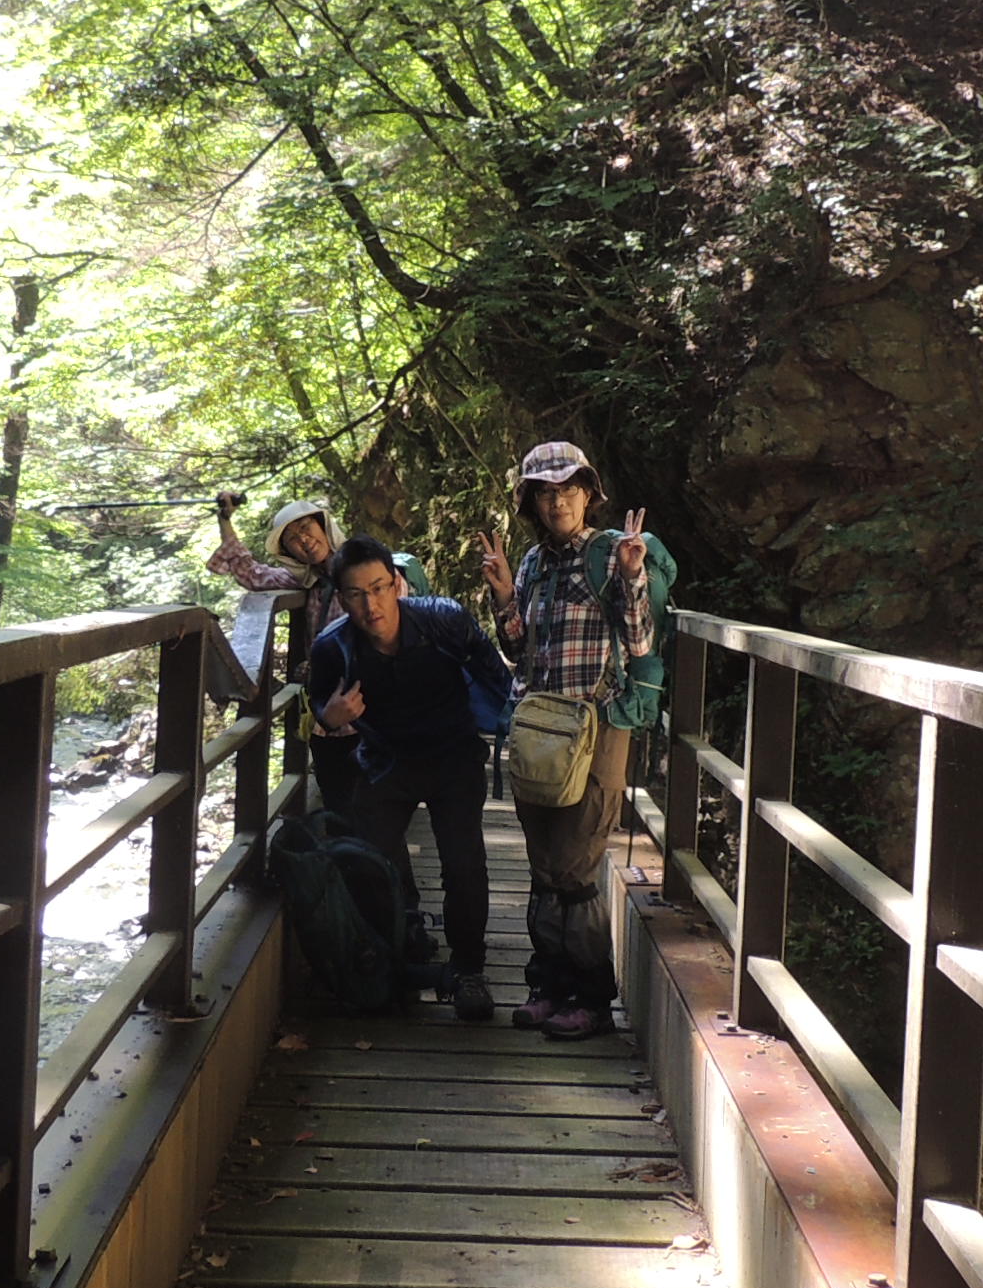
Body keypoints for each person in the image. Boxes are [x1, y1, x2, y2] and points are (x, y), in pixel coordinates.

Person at [479, 441, 673, 1040]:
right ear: (531, 503)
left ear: (588, 494)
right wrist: (505, 594)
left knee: (577, 866)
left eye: (568, 489)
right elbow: (518, 649)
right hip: (539, 727)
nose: (557, 501)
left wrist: (633, 574)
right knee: (543, 865)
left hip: (596, 725)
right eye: (545, 492)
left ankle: (591, 999)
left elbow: (639, 642)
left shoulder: (611, 553)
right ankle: (548, 985)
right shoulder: (533, 563)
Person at [306, 537, 513, 1023]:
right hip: (386, 761)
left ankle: (469, 970)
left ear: (396, 583)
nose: (371, 605)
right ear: (341, 597)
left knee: (464, 865)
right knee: (370, 861)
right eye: (356, 594)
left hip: (453, 757)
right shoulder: (333, 646)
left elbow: (497, 677)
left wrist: (503, 726)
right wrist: (332, 717)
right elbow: (319, 704)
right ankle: (398, 949)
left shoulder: (444, 620)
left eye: (379, 588)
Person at [208, 490, 425, 821]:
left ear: (324, 527)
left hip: (376, 713)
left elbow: (394, 633)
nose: (304, 541)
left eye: (307, 529)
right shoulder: (306, 580)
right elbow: (250, 573)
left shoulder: (369, 567)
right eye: (293, 540)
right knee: (340, 809)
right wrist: (225, 520)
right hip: (330, 719)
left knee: (380, 817)